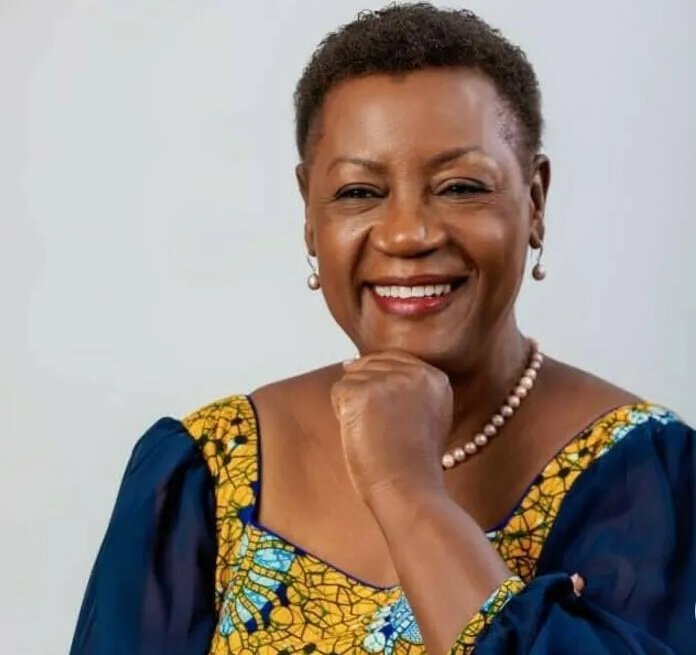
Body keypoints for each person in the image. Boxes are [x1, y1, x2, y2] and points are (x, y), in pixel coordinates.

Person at [69, 3, 695, 654]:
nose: (407, 234)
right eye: (359, 193)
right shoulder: (206, 471)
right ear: (309, 217)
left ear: (534, 200)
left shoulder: (643, 476)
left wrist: (406, 490)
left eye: (460, 187)